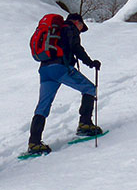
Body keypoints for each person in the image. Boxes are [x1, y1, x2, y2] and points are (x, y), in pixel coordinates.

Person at [27, 13, 102, 155]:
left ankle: (34, 142)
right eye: (81, 26)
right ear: (77, 22)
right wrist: (91, 63)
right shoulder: (70, 28)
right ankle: (85, 125)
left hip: (45, 70)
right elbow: (76, 48)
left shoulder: (56, 30)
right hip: (60, 67)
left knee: (42, 106)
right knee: (89, 88)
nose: (81, 30)